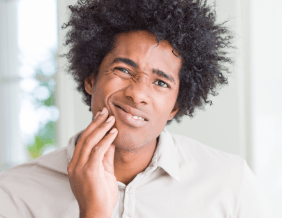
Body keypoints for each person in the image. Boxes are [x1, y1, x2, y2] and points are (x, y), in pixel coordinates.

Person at [0, 0, 272, 217]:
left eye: (161, 82)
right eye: (123, 69)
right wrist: (93, 212)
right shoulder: (14, 192)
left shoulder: (229, 182)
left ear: (176, 106)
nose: (138, 94)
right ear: (91, 79)